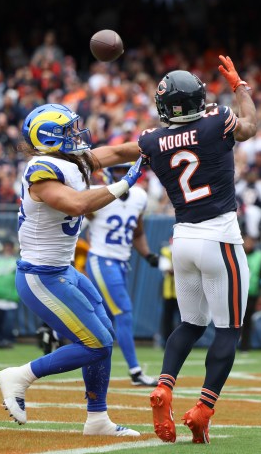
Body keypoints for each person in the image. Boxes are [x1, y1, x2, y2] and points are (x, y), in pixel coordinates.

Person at [0, 103, 143, 437]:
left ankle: (97, 419)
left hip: (63, 271)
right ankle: (19, 376)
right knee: (97, 343)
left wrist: (164, 142)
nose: (77, 135)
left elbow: (120, 150)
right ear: (50, 138)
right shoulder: (42, 170)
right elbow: (77, 204)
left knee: (105, 333)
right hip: (40, 275)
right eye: (67, 131)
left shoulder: (72, 159)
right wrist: (124, 183)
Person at [139, 56, 257, 444]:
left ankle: (165, 385)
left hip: (182, 239)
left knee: (190, 324)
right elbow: (251, 126)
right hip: (219, 236)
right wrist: (240, 88)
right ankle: (203, 408)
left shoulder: (151, 141)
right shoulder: (216, 121)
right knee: (228, 330)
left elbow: (130, 149)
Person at [84, 162, 160, 387]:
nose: (122, 174)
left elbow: (137, 232)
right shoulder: (95, 195)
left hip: (121, 262)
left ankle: (92, 367)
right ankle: (135, 371)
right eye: (117, 170)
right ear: (107, 172)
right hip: (101, 259)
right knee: (124, 312)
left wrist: (147, 255)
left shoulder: (139, 196)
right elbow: (77, 210)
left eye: (125, 169)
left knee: (104, 319)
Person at [239, 234, 261, 353]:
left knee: (247, 320)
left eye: (250, 242)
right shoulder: (237, 254)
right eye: (246, 241)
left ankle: (245, 346)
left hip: (252, 293)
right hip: (236, 292)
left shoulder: (259, 257)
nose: (248, 244)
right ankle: (230, 344)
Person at [158, 238, 180, 347]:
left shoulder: (184, 250)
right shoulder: (165, 251)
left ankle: (181, 342)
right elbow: (166, 269)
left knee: (184, 319)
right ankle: (167, 342)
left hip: (182, 291)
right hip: (168, 290)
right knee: (167, 318)